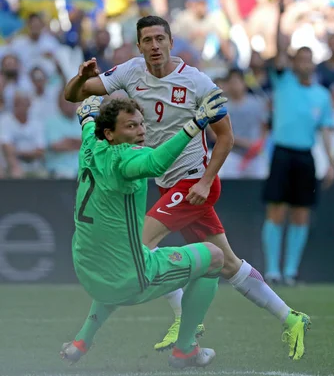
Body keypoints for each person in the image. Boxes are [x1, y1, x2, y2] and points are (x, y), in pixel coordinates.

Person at [63, 15, 310, 360]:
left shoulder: (196, 81)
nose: (154, 46)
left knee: (136, 250)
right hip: (167, 185)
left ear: (170, 41)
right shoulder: (129, 73)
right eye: (147, 40)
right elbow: (75, 95)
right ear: (139, 46)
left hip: (193, 182)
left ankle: (116, 334)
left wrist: (207, 181)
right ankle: (291, 317)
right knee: (227, 264)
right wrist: (81, 77)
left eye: (159, 39)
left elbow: (226, 137)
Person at [61, 91, 227, 369]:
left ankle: (81, 341)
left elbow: (88, 122)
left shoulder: (90, 142)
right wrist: (195, 124)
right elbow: (156, 163)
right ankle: (185, 349)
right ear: (110, 134)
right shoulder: (124, 160)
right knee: (214, 257)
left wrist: (87, 114)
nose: (140, 131)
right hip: (126, 280)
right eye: (130, 126)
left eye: (141, 124)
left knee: (121, 256)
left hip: (86, 271)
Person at [261, 0, 334, 287]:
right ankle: (272, 270)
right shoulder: (283, 82)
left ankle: (290, 271)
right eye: (299, 59)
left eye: (308, 59)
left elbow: (325, 131)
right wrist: (282, 15)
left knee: (301, 213)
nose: (304, 63)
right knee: (276, 210)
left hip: (305, 156)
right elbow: (278, 47)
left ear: (313, 64)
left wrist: (330, 161)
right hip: (281, 152)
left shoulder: (322, 95)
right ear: (293, 63)